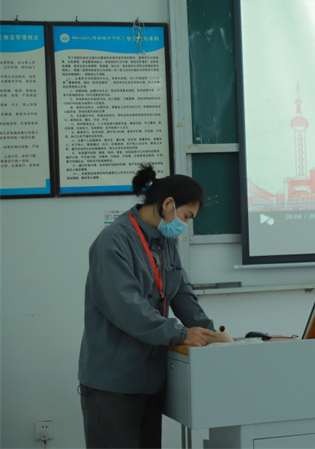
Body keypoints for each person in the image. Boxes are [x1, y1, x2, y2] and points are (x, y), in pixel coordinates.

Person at [78, 164, 222, 448]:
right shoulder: (114, 240)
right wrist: (181, 334)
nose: (185, 224)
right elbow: (127, 308)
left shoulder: (164, 240)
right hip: (113, 382)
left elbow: (181, 292)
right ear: (168, 204)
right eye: (186, 216)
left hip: (150, 379)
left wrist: (211, 335)